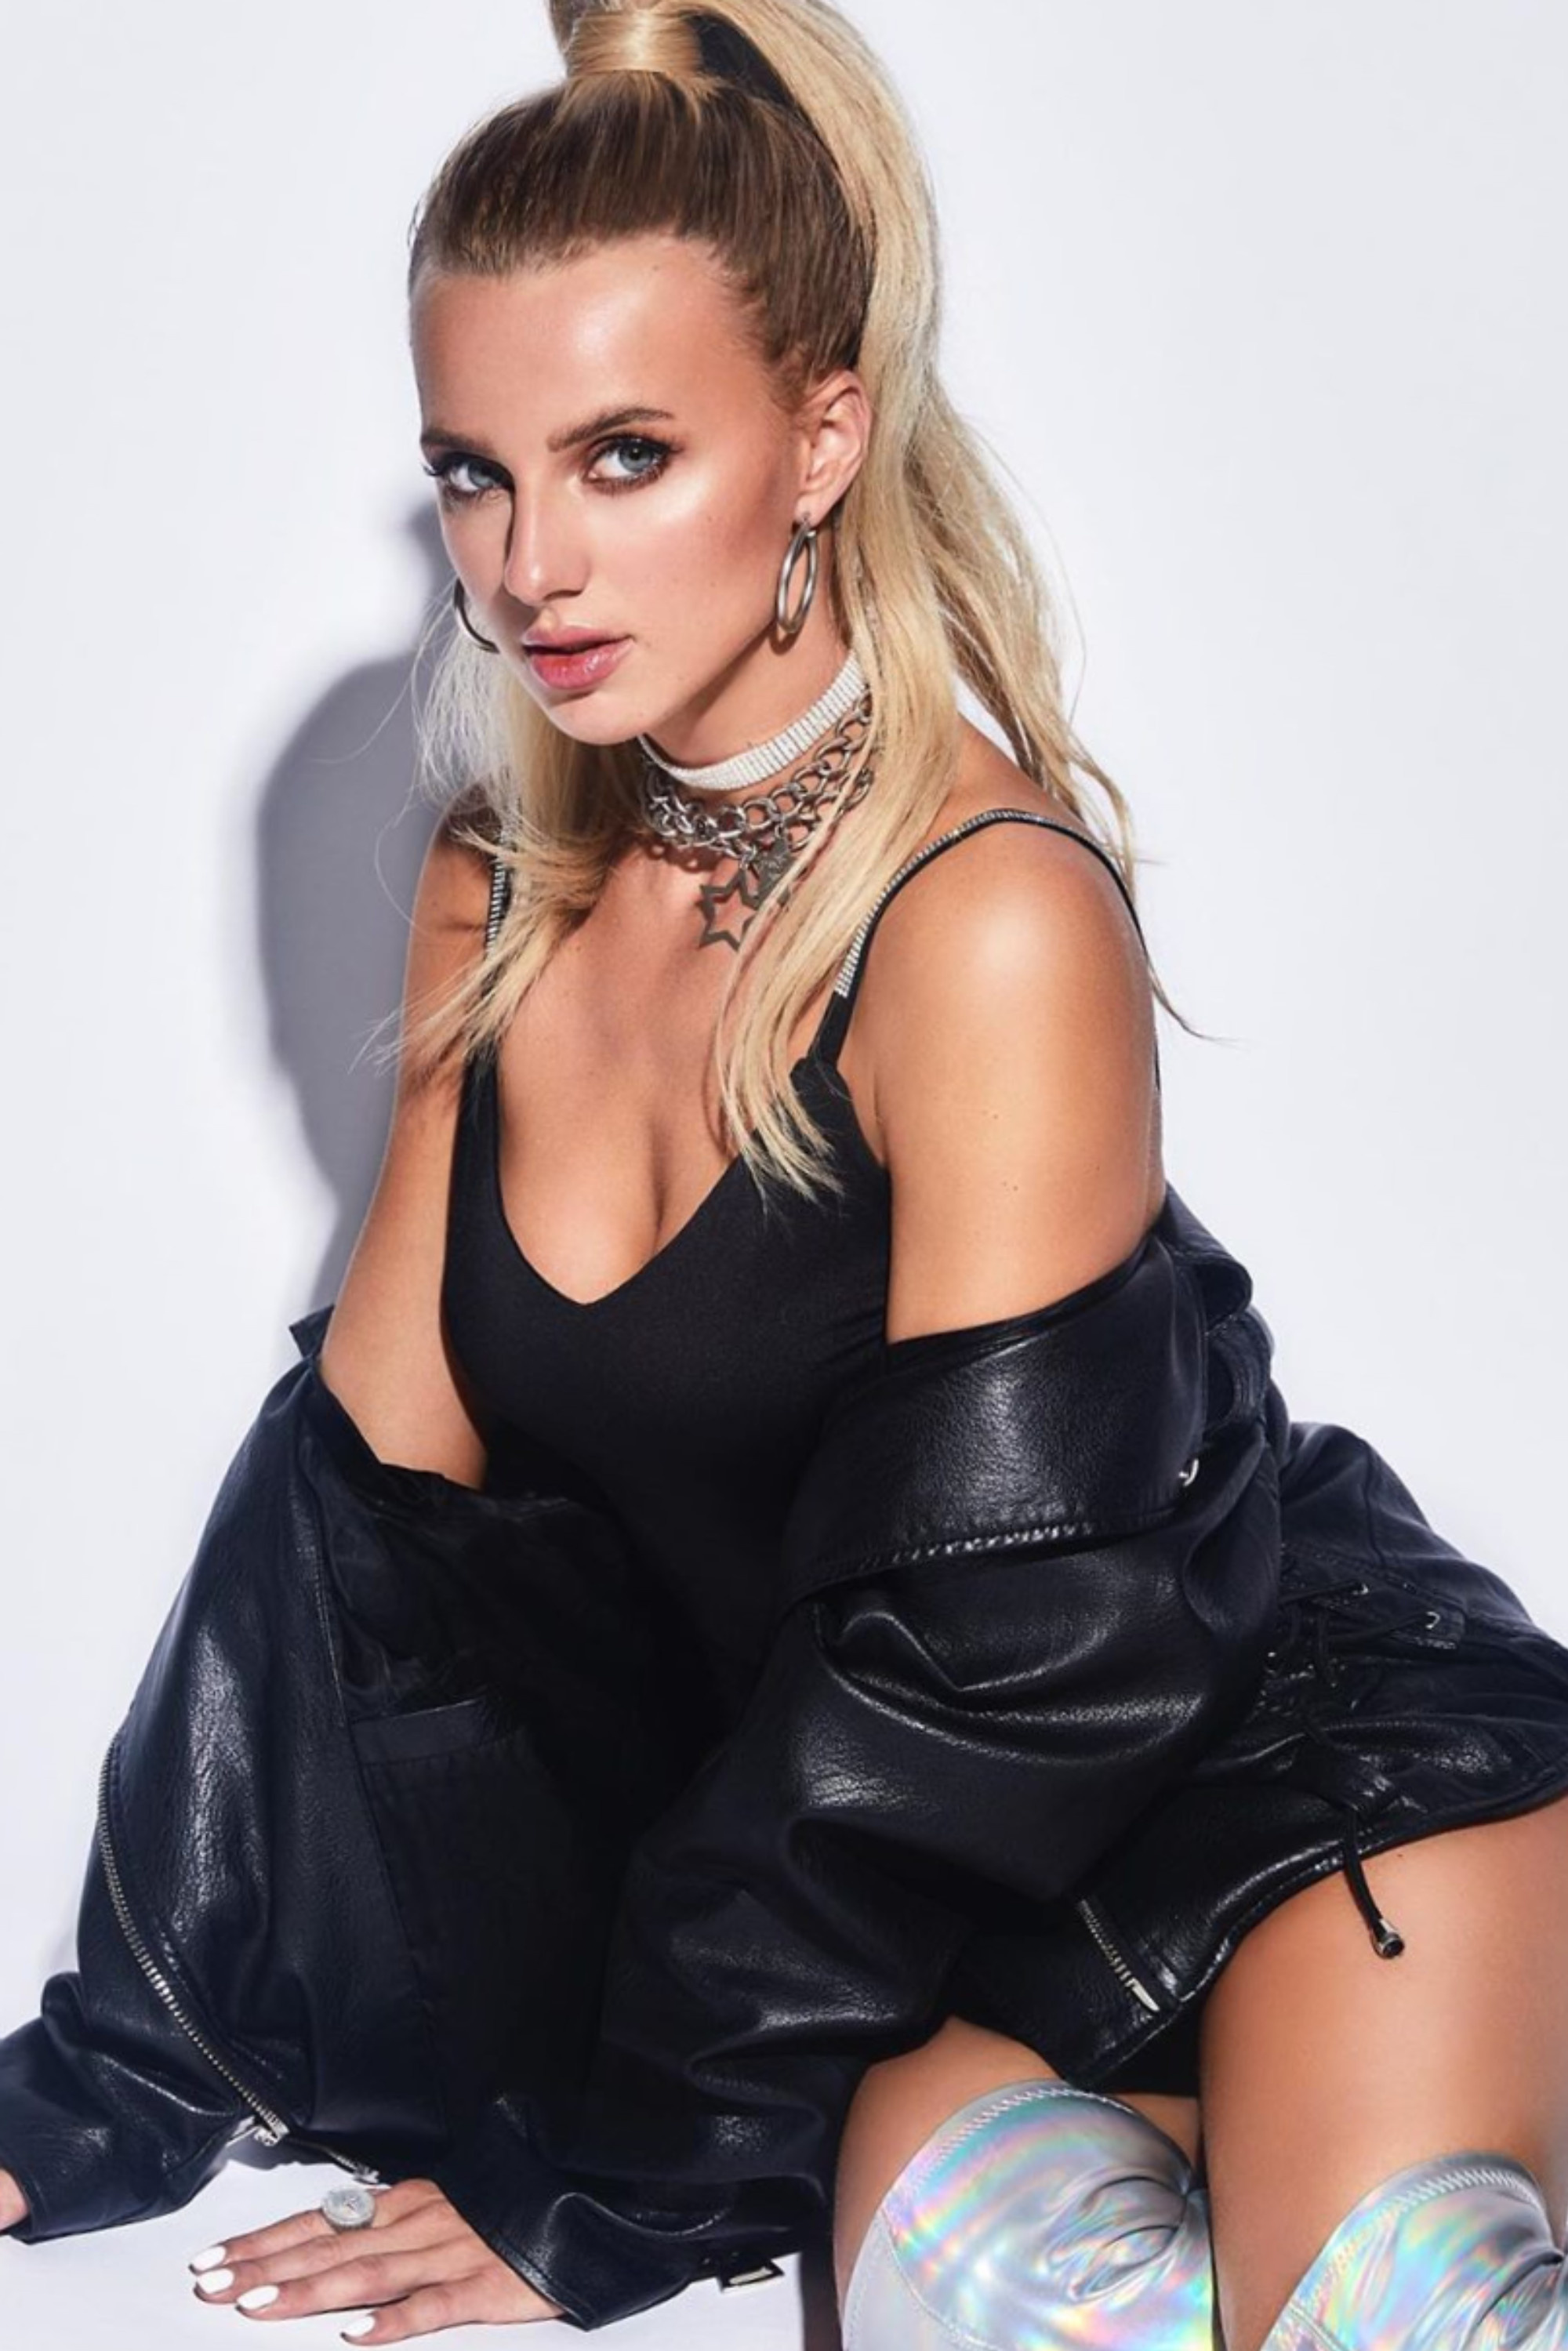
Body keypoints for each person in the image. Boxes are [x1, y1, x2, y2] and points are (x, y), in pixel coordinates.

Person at [6, 2, 1568, 2346]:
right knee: (982, 2290)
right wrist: (119, 2068)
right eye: (473, 474)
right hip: (935, 1896)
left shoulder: (987, 915)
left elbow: (1007, 1650)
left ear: (823, 434)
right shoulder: (496, 886)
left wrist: (629, 2168)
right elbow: (360, 1525)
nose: (531, 566)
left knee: (1381, 2316)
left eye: (624, 457)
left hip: (1285, 1771)